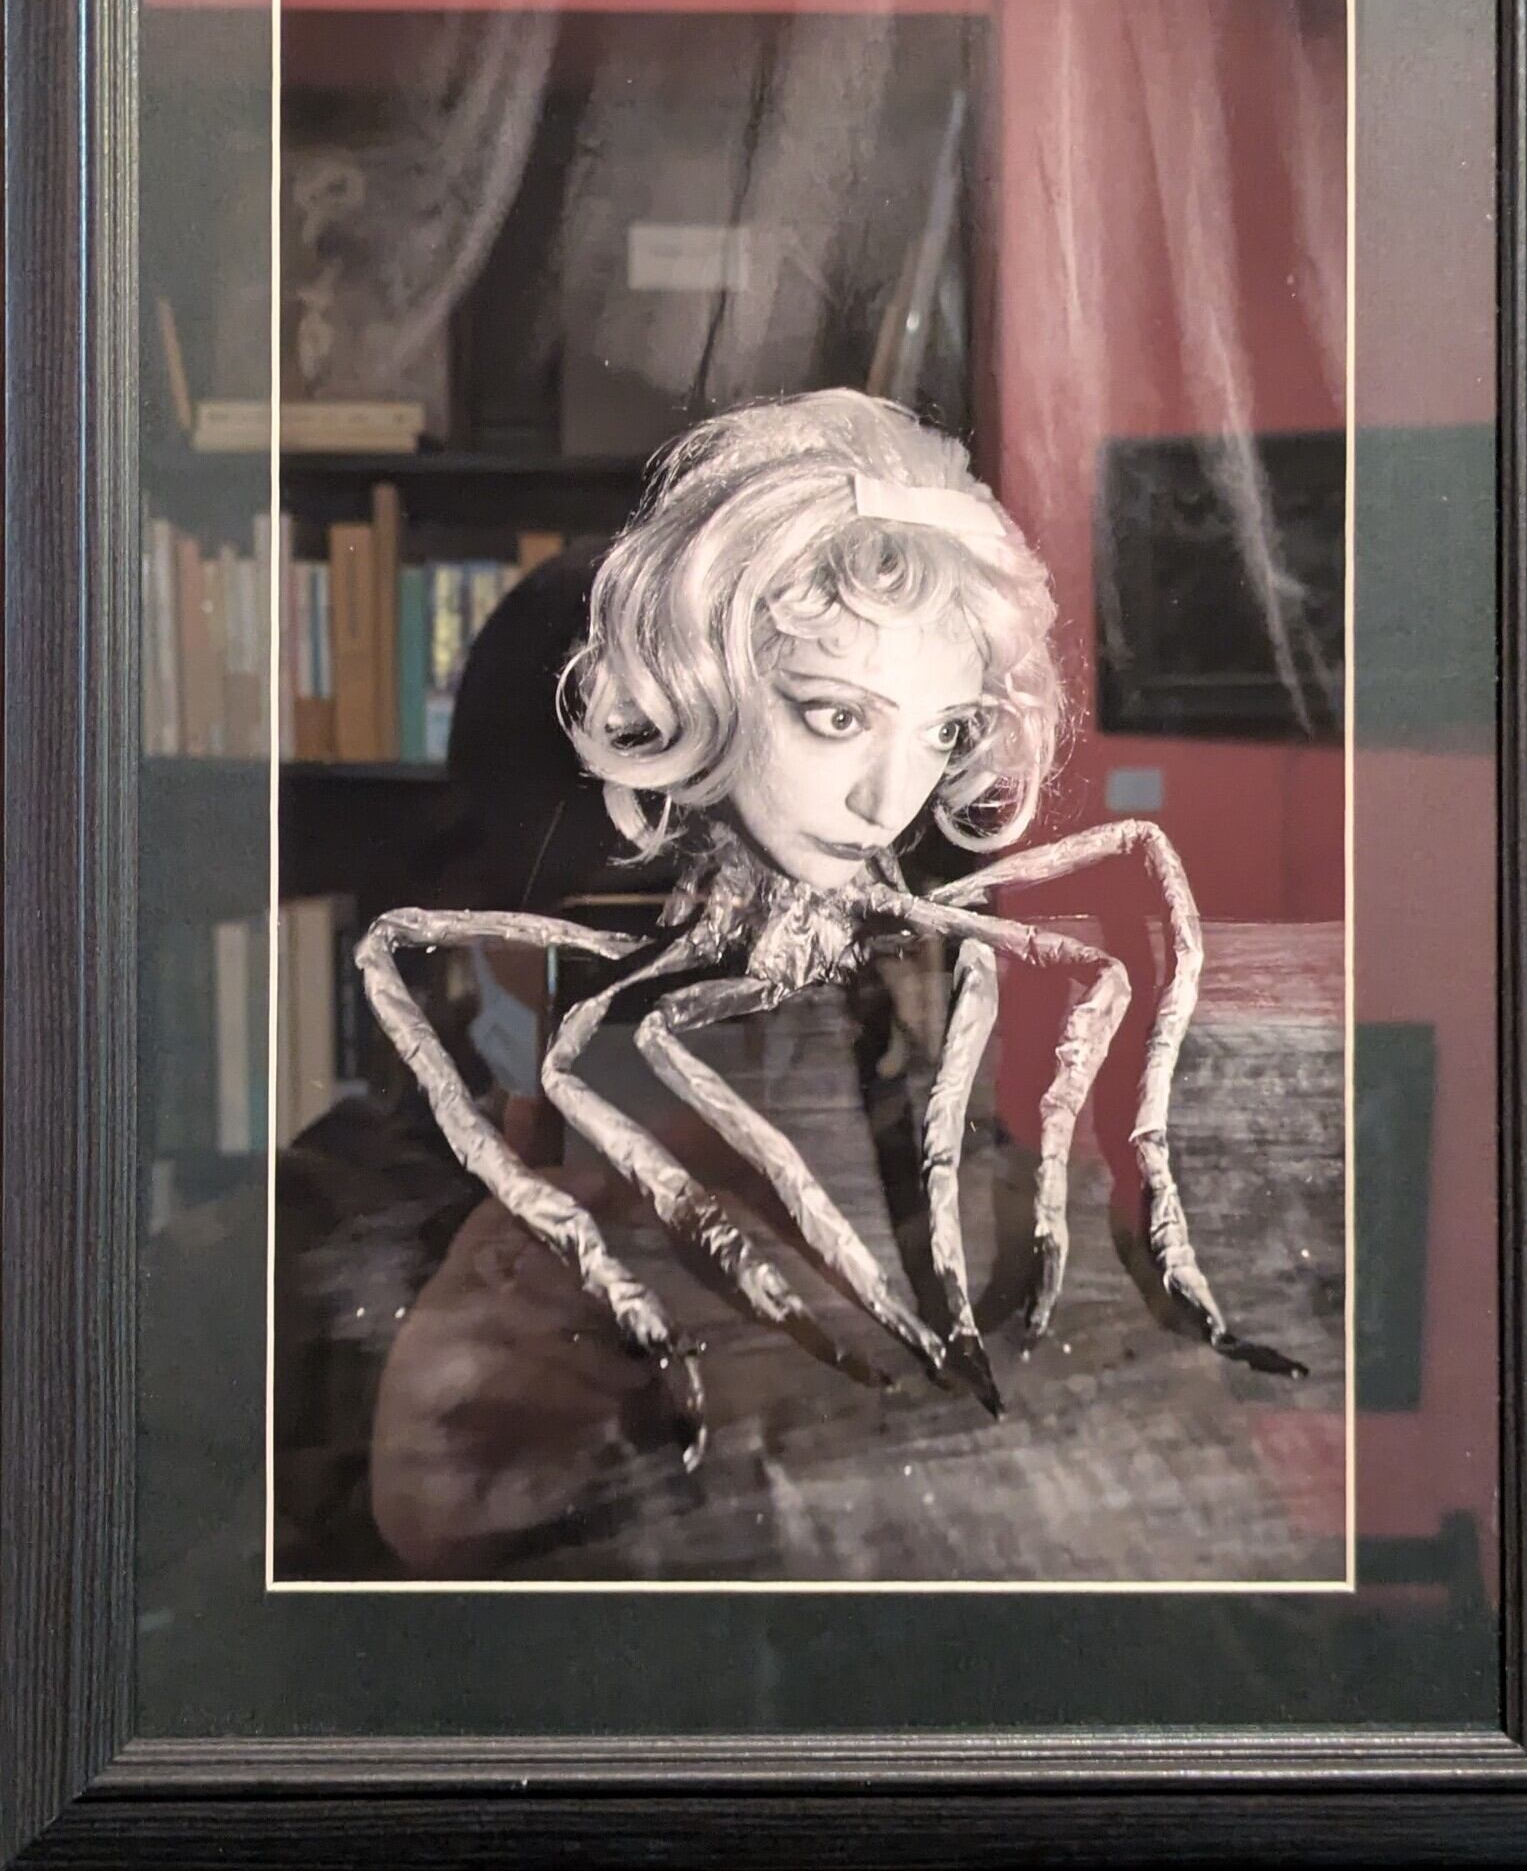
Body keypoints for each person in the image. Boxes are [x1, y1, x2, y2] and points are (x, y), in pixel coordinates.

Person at [363, 390, 1263, 1582]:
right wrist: (398, 1515)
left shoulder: (984, 1199)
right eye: (625, 903)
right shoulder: (346, 1234)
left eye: (940, 735)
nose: (881, 804)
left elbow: (1196, 1545)